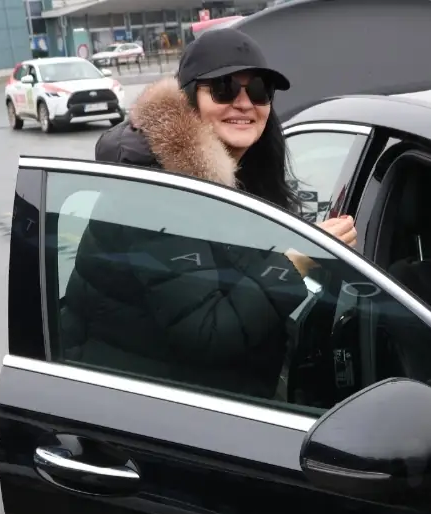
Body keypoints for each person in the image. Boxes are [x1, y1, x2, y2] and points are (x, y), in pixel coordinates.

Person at [61, 27, 357, 400]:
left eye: (259, 90)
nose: (244, 103)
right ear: (189, 100)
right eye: (224, 88)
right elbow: (208, 333)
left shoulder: (238, 178)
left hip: (204, 396)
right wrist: (297, 262)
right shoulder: (157, 193)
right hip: (141, 409)